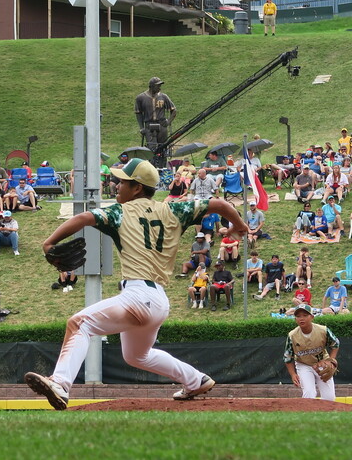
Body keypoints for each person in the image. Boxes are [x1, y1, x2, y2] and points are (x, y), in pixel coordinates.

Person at [24, 158, 248, 409]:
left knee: (79, 324)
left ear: (138, 187)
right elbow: (218, 203)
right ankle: (196, 380)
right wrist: (238, 226)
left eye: (122, 182)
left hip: (137, 296)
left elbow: (85, 217)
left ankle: (60, 383)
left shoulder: (119, 212)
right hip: (159, 301)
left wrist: (49, 242)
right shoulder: (174, 210)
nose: (117, 185)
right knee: (136, 355)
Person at [284, 304, 339, 401]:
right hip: (303, 365)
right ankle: (307, 416)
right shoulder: (292, 335)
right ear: (295, 319)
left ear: (312, 317)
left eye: (305, 315)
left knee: (329, 398)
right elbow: (287, 357)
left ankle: (324, 416)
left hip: (322, 363)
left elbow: (335, 344)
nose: (301, 318)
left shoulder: (323, 330)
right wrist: (293, 374)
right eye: (298, 316)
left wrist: (331, 360)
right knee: (309, 394)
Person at [135, 77, 176, 150]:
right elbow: (138, 113)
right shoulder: (140, 98)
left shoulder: (164, 96)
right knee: (152, 149)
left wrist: (168, 121)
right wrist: (141, 128)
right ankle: (152, 161)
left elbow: (173, 110)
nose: (159, 88)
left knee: (163, 147)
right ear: (151, 86)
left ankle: (163, 161)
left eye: (160, 86)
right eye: (158, 86)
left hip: (162, 125)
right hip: (149, 126)